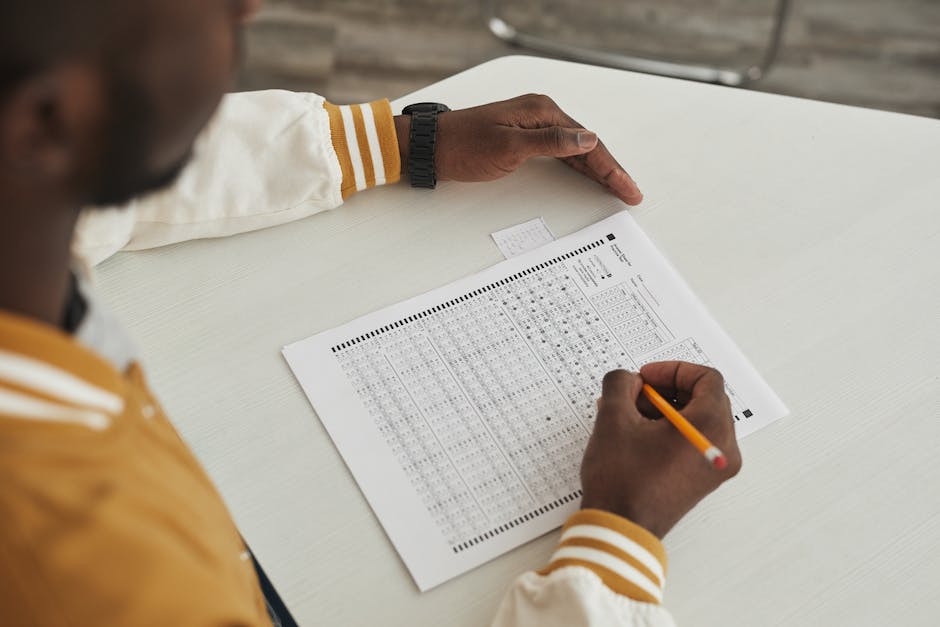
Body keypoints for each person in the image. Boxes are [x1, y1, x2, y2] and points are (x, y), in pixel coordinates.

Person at [0, 1, 742, 625]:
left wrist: (401, 141)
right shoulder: (96, 573)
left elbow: (104, 171)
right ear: (47, 117)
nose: (251, 9)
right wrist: (621, 538)